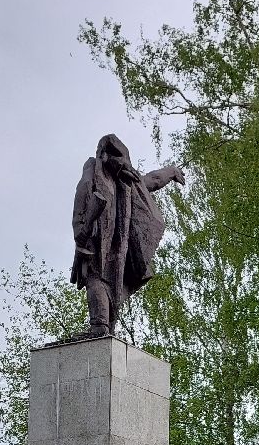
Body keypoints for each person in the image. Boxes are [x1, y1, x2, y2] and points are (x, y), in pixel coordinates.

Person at [71, 134, 185, 336]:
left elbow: (152, 180)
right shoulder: (104, 176)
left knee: (103, 281)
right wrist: (80, 230)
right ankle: (102, 327)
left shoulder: (119, 180)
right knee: (102, 281)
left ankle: (102, 327)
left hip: (110, 246)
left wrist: (171, 172)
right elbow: (152, 180)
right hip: (103, 244)